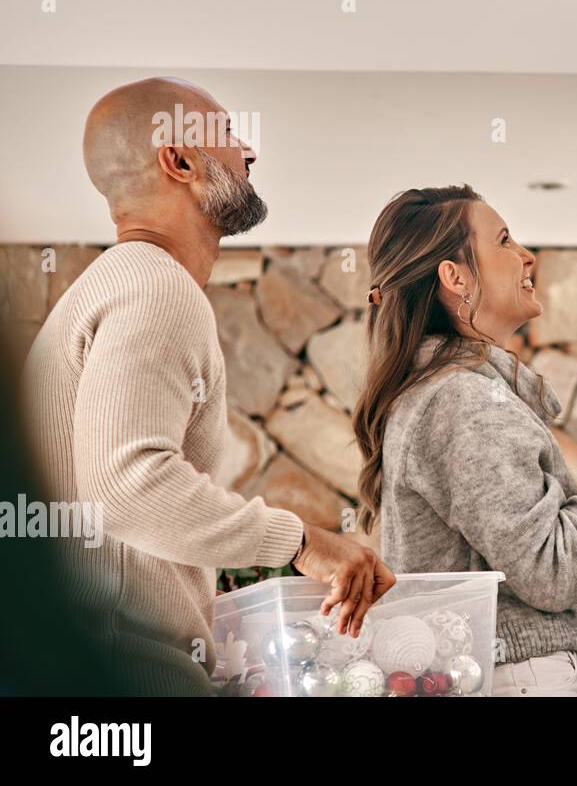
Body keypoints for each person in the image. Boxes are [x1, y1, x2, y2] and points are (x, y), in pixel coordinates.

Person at [20, 77, 395, 695]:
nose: (249, 152)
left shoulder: (113, 285)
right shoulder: (155, 286)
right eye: (228, 137)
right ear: (180, 160)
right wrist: (302, 542)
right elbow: (128, 489)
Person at [352, 186, 577, 696]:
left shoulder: (445, 394)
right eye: (503, 240)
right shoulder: (462, 399)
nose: (528, 256)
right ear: (456, 277)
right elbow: (550, 572)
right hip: (521, 679)